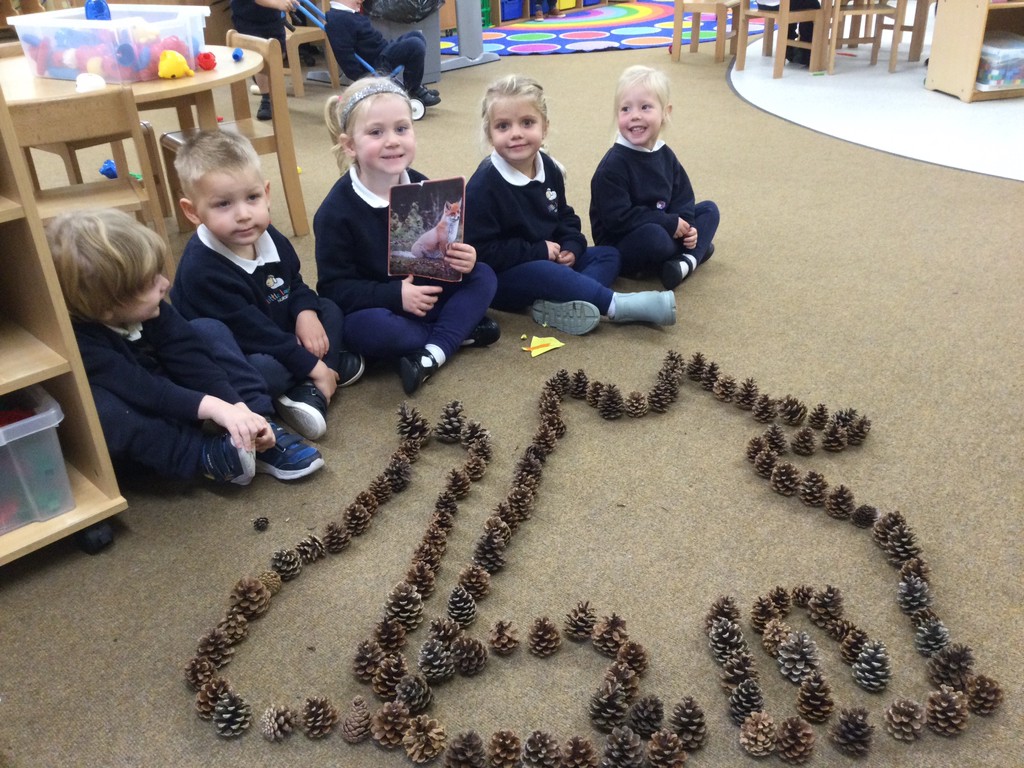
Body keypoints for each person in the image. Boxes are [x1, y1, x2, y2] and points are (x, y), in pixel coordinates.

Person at [46, 209, 324, 486]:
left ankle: (254, 428)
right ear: (107, 307)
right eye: (149, 283)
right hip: (150, 422)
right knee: (102, 411)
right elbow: (148, 391)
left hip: (182, 400)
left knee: (208, 329)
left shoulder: (151, 309)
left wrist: (240, 410)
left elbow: (189, 356)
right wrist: (215, 408)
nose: (165, 284)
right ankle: (204, 455)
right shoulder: (84, 344)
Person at [170, 130, 362, 442]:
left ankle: (308, 386)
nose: (244, 215)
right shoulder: (202, 269)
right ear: (192, 211)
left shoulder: (270, 236)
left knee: (327, 308)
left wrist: (305, 313)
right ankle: (320, 376)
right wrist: (314, 365)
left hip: (274, 328)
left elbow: (294, 282)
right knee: (265, 371)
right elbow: (254, 333)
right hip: (241, 349)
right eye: (223, 204)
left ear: (267, 193)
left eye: (252, 198)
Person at [314, 76, 499, 395]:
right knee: (367, 329)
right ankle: (452, 335)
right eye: (376, 132)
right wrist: (395, 295)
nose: (392, 141)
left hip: (427, 294)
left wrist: (464, 257)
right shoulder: (335, 212)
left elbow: (445, 249)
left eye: (402, 128)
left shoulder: (423, 186)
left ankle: (432, 350)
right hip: (381, 307)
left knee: (484, 276)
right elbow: (334, 290)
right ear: (349, 145)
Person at [464, 74, 677, 336]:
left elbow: (564, 216)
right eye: (503, 126)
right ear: (490, 134)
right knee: (544, 271)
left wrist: (571, 246)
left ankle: (569, 301)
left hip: (551, 259)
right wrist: (538, 251)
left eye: (527, 123)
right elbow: (481, 253)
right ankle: (616, 305)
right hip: (506, 277)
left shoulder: (549, 167)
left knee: (609, 254)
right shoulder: (483, 186)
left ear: (545, 127)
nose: (516, 133)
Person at [589, 65, 720, 290]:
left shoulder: (665, 154)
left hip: (664, 225)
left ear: (665, 113)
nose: (635, 116)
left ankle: (685, 261)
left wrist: (688, 227)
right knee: (655, 236)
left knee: (709, 210)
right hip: (624, 241)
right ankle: (693, 255)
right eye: (625, 109)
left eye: (645, 107)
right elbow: (618, 219)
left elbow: (682, 196)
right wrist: (668, 223)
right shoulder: (612, 166)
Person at [324, 0, 441, 109]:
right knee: (415, 45)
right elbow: (344, 54)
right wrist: (361, 77)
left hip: (382, 50)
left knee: (416, 35)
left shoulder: (349, 14)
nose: (361, 1)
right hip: (377, 62)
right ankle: (414, 89)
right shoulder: (338, 20)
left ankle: (413, 85)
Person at [230, 0, 296, 120]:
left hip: (272, 17)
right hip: (248, 17)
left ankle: (261, 78)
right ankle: (267, 99)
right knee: (261, 58)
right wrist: (278, 3)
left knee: (277, 54)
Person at [755, 0, 821, 66]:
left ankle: (789, 47)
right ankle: (806, 53)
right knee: (813, 4)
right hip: (781, 5)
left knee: (794, 5)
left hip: (761, 4)